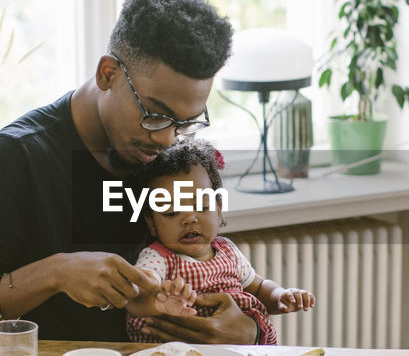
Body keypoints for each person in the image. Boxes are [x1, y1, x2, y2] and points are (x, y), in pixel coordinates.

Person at [0, 0, 260, 345]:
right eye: (155, 115)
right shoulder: (19, 158)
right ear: (107, 74)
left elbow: (216, 276)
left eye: (184, 123)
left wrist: (248, 330)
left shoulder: (167, 156)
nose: (165, 139)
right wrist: (54, 273)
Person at [122, 140, 315, 344]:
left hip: (238, 354)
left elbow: (258, 288)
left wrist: (281, 296)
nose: (189, 219)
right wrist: (159, 300)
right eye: (172, 212)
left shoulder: (228, 251)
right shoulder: (157, 257)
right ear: (152, 223)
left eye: (202, 206)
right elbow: (137, 296)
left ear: (219, 209)